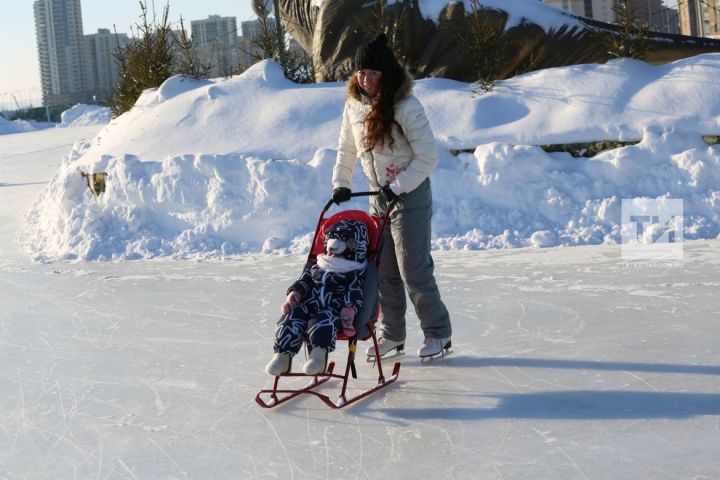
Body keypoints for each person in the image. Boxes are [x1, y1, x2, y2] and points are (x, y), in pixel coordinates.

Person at [331, 33, 452, 359]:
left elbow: (428, 157)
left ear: (385, 73)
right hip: (378, 197)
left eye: (371, 72)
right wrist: (340, 183)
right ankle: (392, 335)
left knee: (413, 268)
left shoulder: (405, 106)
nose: (363, 78)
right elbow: (347, 149)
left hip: (409, 194)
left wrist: (397, 187)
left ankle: (438, 333)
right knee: (384, 271)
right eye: (359, 72)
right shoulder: (354, 105)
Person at [265, 219, 369, 375]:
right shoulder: (317, 266)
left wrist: (348, 310)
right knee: (291, 317)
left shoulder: (352, 272)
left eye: (338, 252)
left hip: (334, 314)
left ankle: (318, 357)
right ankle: (282, 357)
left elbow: (354, 291)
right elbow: (304, 281)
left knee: (322, 320)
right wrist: (295, 293)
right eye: (330, 251)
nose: (332, 255)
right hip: (309, 307)